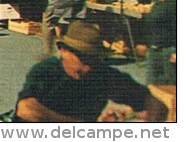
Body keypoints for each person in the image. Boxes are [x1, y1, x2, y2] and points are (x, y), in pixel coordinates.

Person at [15, 20, 167, 122]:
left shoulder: (103, 75)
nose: (88, 67)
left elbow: (152, 102)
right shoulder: (48, 71)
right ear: (64, 51)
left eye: (94, 59)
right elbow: (26, 109)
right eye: (83, 59)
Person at [134, 0, 176, 87]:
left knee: (171, 87)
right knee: (152, 86)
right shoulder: (157, 4)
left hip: (169, 50)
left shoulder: (174, 4)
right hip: (154, 50)